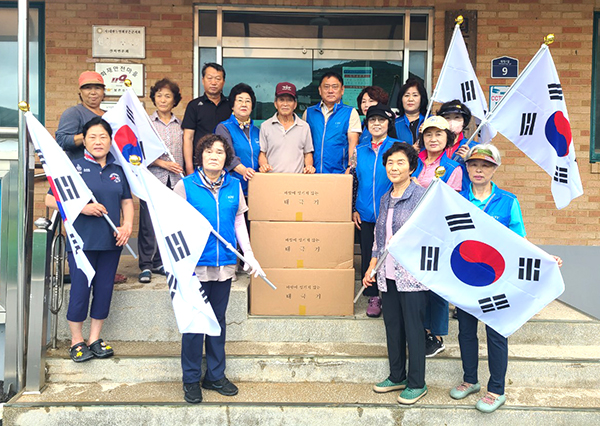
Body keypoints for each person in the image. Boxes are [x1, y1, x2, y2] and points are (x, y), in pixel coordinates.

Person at [450, 144, 563, 413]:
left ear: (495, 169)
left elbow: (518, 240)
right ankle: (470, 380)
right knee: (466, 331)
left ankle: (496, 388)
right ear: (466, 167)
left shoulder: (508, 201)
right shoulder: (455, 198)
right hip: (465, 277)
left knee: (497, 332)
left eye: (486, 165)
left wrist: (545, 258)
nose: (479, 169)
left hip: (496, 280)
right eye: (474, 164)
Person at [173, 133, 264, 404]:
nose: (214, 156)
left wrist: (248, 254)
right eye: (209, 151)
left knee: (217, 321)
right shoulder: (185, 186)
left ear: (227, 158)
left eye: (220, 152)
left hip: (224, 264)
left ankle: (215, 374)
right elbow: (174, 228)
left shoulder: (234, 186)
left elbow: (238, 223)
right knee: (193, 324)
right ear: (201, 156)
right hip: (194, 266)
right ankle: (190, 379)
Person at [45, 117, 133, 362]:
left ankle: (95, 338)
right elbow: (49, 199)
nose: (98, 141)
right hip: (81, 242)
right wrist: (81, 207)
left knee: (104, 290)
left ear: (110, 140)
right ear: (84, 140)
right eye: (92, 136)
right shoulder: (72, 167)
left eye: (103, 137)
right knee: (81, 291)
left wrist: (127, 225)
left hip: (111, 242)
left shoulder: (118, 170)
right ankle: (76, 340)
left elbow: (126, 201)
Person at [363, 142, 429, 405]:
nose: (394, 167)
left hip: (411, 274)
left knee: (413, 329)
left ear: (412, 167)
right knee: (393, 326)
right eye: (390, 162)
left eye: (400, 162)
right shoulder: (385, 197)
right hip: (386, 272)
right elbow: (380, 237)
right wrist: (371, 265)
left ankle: (417, 383)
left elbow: (427, 235)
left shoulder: (422, 195)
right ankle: (397, 375)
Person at [413, 115, 463, 357]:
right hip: (412, 232)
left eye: (438, 134)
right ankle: (420, 330)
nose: (433, 139)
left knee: (436, 284)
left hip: (437, 233)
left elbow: (449, 202)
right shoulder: (414, 162)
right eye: (428, 134)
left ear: (448, 138)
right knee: (415, 283)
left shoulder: (453, 167)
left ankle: (438, 335)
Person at [352, 104, 398, 318]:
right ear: (367, 125)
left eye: (381, 120)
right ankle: (373, 296)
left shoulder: (398, 148)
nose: (377, 124)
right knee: (369, 252)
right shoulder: (359, 151)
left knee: (390, 256)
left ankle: (391, 295)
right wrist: (353, 208)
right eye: (372, 120)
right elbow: (353, 181)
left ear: (389, 123)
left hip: (391, 212)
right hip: (365, 213)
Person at [138, 78, 185, 284]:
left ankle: (160, 261)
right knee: (148, 223)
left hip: (175, 181)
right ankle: (145, 265)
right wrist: (163, 164)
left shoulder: (181, 125)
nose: (163, 99)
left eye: (167, 96)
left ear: (174, 100)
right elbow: (139, 152)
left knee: (169, 223)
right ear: (153, 98)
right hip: (153, 178)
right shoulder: (145, 123)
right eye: (159, 95)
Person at [303, 72, 362, 173]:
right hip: (312, 173)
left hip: (340, 173)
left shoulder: (350, 112)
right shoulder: (309, 113)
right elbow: (303, 143)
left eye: (335, 87)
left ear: (342, 90)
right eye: (326, 87)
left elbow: (353, 143)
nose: (330, 91)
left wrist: (350, 167)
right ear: (320, 90)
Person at [182, 63, 232, 175]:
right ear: (202, 80)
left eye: (218, 79)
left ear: (223, 82)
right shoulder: (194, 105)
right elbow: (188, 138)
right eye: (209, 78)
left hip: (226, 165)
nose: (213, 82)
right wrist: (189, 167)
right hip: (199, 164)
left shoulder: (230, 106)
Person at [259, 82, 315, 174]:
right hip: (272, 180)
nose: (285, 104)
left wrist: (309, 167)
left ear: (295, 104)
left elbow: (307, 153)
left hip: (296, 181)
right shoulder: (266, 126)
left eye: (289, 100)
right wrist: (264, 165)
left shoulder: (304, 127)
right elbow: (262, 153)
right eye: (281, 100)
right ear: (275, 104)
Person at [215, 83, 259, 195]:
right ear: (232, 105)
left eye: (248, 101)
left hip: (256, 187)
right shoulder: (224, 127)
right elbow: (228, 156)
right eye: (239, 100)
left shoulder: (257, 131)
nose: (244, 104)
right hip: (233, 187)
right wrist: (244, 171)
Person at [56, 71, 106, 160]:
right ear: (80, 92)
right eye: (88, 88)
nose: (93, 92)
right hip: (80, 170)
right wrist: (89, 135)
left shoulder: (109, 115)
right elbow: (62, 141)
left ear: (103, 92)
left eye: (97, 88)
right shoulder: (73, 113)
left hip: (107, 169)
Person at [394, 78, 428, 146]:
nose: (410, 99)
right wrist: (411, 150)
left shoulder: (430, 121)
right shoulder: (394, 124)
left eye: (415, 95)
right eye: (406, 95)